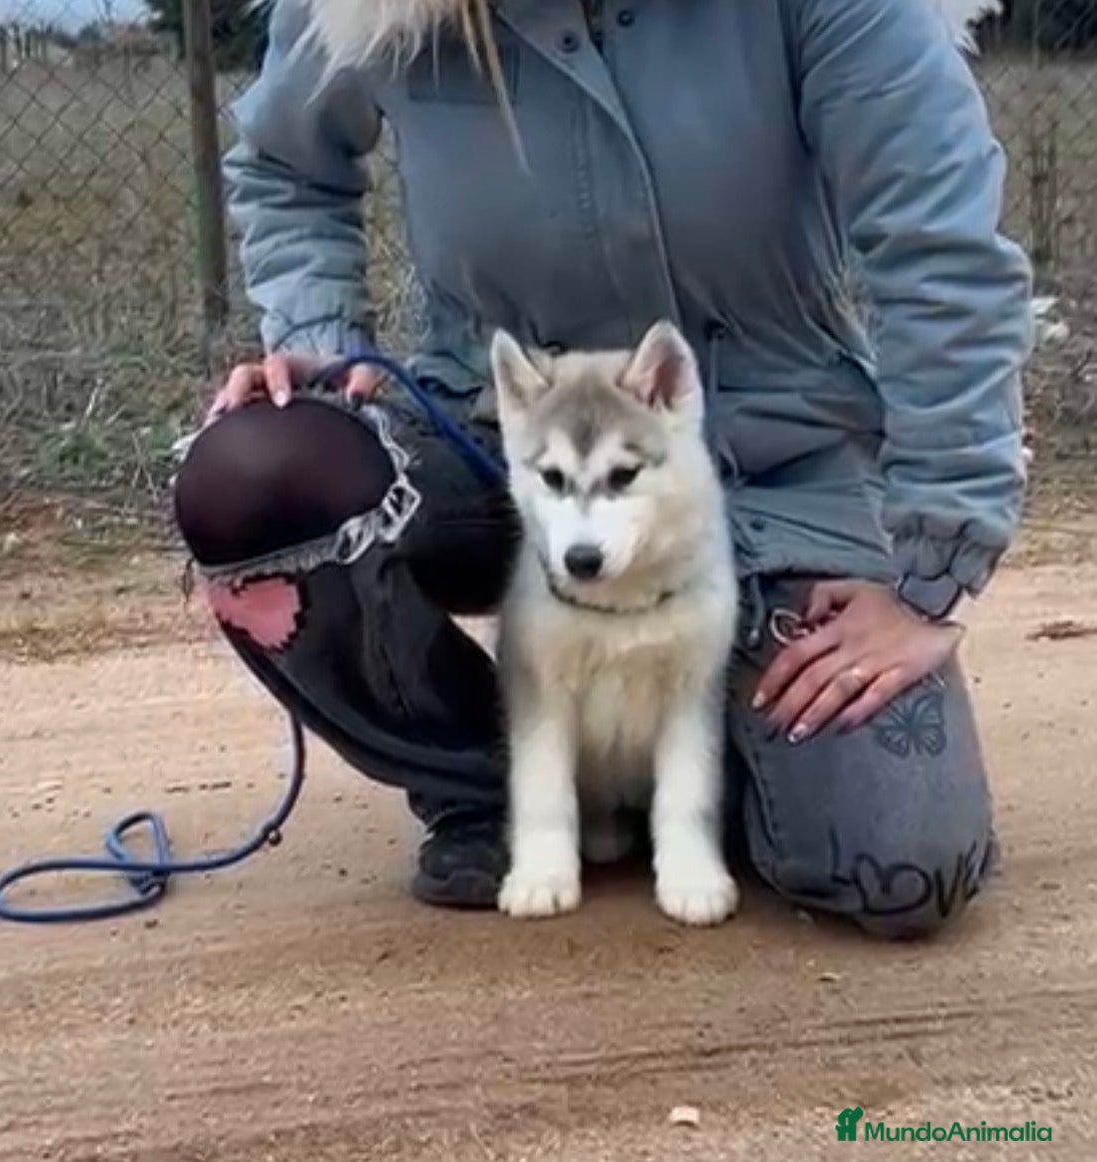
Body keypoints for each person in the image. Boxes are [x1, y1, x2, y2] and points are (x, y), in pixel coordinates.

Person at [172, 0, 1033, 938]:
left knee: (900, 862)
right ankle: (496, 786)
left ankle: (692, 747)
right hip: (493, 441)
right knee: (254, 480)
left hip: (776, 470)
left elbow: (941, 257)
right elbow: (285, 168)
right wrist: (324, 339)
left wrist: (926, 583)